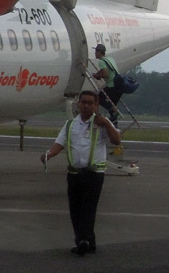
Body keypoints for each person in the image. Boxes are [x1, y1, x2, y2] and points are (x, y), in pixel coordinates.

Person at [39, 90, 122, 256]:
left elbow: (116, 141)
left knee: (88, 208)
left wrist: (106, 123)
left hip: (94, 173)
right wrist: (49, 154)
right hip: (74, 172)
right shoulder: (70, 124)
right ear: (78, 104)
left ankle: (83, 240)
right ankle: (88, 241)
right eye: (83, 102)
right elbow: (60, 143)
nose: (86, 105)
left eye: (90, 103)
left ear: (96, 105)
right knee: (75, 209)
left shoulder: (101, 123)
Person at [91, 43, 124, 124]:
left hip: (112, 86)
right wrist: (99, 74)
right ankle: (115, 125)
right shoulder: (109, 59)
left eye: (96, 51)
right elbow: (108, 71)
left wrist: (97, 75)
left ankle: (112, 112)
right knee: (113, 108)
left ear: (99, 52)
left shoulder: (102, 61)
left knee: (99, 98)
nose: (95, 53)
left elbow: (106, 74)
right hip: (119, 86)